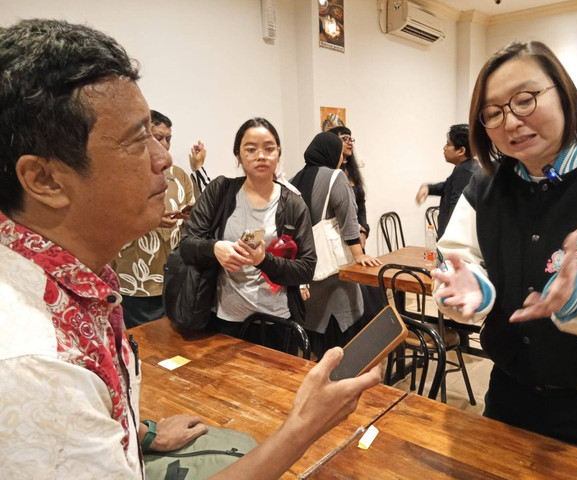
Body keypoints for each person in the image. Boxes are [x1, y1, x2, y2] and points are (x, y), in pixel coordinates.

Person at [0, 19, 381, 479]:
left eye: (159, 138)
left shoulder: (81, 285)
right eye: (138, 140)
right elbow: (191, 243)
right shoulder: (37, 365)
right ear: (44, 179)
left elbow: (304, 266)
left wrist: (140, 433)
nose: (164, 159)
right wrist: (303, 428)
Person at [431, 40, 577, 464]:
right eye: (492, 112)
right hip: (510, 396)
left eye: (525, 100)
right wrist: (471, 289)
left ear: (563, 94)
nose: (511, 121)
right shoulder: (483, 186)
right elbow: (456, 262)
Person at [177, 117, 316, 348]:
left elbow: (306, 268)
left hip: (277, 322)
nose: (261, 156)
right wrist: (215, 248)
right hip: (224, 320)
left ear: (278, 153)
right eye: (251, 149)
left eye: (269, 148)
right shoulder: (220, 191)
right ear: (238, 155)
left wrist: (263, 261)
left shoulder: (293, 204)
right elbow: (187, 245)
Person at [291, 132, 381, 359]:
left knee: (315, 335)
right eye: (341, 153)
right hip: (333, 271)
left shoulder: (294, 180)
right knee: (341, 335)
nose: (343, 158)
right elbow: (348, 219)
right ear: (332, 153)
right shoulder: (335, 177)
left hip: (306, 268)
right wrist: (359, 254)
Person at [111, 110, 194, 329]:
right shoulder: (123, 175)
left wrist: (191, 216)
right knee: (145, 349)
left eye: (168, 138)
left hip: (174, 276)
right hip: (137, 281)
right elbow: (111, 220)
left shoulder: (179, 176)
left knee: (175, 348)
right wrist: (152, 221)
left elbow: (193, 222)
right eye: (158, 138)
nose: (165, 144)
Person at [328, 126, 383, 326]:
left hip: (357, 239)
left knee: (372, 286)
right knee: (355, 292)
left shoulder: (351, 171)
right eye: (344, 138)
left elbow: (361, 206)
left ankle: (377, 332)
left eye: (351, 138)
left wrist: (364, 229)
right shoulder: (330, 174)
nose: (350, 142)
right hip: (339, 241)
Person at [415, 124, 479, 236]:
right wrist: (428, 188)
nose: (444, 148)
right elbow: (447, 186)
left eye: (448, 144)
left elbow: (457, 210)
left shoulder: (464, 172)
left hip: (454, 241)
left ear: (461, 151)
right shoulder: (467, 167)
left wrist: (446, 241)